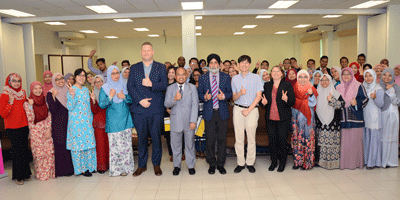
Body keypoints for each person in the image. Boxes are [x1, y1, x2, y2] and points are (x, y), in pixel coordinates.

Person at [128, 42, 167, 177]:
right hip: (139, 109)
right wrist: (140, 100)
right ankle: (142, 166)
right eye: (143, 51)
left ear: (153, 52)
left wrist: (152, 84)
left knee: (156, 138)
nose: (146, 53)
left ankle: (156, 165)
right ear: (141, 52)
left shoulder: (161, 67)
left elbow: (164, 85)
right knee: (142, 139)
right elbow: (130, 87)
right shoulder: (134, 68)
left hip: (156, 109)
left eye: (148, 50)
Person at [198, 53, 232, 175]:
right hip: (209, 113)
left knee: (222, 140)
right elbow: (199, 94)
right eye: (211, 63)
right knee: (210, 140)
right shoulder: (202, 78)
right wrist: (205, 97)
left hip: (222, 112)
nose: (213, 65)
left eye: (215, 63)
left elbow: (230, 93)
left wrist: (224, 96)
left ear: (219, 64)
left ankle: (221, 164)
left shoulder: (225, 77)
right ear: (208, 65)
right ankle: (211, 164)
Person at [99, 66, 134, 176]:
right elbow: (101, 105)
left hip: (126, 119)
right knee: (116, 147)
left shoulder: (124, 84)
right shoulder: (104, 88)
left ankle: (127, 168)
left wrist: (124, 96)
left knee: (126, 146)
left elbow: (131, 100)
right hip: (113, 122)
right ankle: (117, 170)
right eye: (113, 73)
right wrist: (110, 96)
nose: (115, 75)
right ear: (109, 75)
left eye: (117, 73)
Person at [231, 55, 263, 173]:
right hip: (238, 109)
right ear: (238, 65)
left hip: (252, 110)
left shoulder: (256, 77)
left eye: (246, 63)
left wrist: (248, 110)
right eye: (241, 63)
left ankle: (250, 162)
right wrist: (239, 93)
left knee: (251, 137)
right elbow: (234, 98)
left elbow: (259, 96)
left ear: (250, 64)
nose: (244, 65)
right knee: (238, 138)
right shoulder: (234, 79)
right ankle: (240, 162)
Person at [165, 67, 199, 175]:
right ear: (175, 76)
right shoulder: (170, 88)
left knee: (190, 145)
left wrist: (193, 120)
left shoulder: (192, 87)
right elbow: (166, 104)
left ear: (186, 75)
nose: (181, 76)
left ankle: (191, 165)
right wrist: (174, 99)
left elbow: (195, 105)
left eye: (183, 74)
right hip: (175, 121)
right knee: (175, 145)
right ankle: (176, 166)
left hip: (189, 122)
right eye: (178, 74)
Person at [261, 66, 295, 172]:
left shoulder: (287, 84)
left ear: (281, 73)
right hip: (270, 118)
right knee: (272, 142)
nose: (275, 73)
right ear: (271, 74)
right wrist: (264, 103)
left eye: (278, 71)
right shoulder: (267, 85)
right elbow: (263, 101)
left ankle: (282, 163)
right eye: (273, 71)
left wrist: (286, 99)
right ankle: (274, 162)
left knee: (282, 141)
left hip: (283, 118)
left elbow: (292, 102)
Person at [0, 73, 32, 185]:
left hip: (23, 125)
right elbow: (3, 114)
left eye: (18, 81)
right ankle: (18, 176)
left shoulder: (22, 93)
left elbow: (25, 108)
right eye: (14, 81)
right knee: (17, 151)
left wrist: (29, 103)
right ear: (9, 82)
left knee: (24, 150)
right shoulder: (4, 95)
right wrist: (10, 101)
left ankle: (26, 173)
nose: (16, 83)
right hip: (12, 127)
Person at [66, 69, 97, 176]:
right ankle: (81, 169)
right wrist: (72, 96)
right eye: (79, 75)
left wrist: (93, 99)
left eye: (83, 75)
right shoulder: (71, 89)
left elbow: (89, 107)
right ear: (75, 77)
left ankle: (91, 167)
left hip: (87, 121)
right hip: (76, 123)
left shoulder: (85, 90)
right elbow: (70, 107)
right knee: (78, 146)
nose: (82, 77)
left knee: (88, 144)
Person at [337, 67, 368, 170]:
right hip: (343, 119)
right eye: (344, 74)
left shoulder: (358, 86)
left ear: (352, 75)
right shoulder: (338, 88)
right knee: (345, 143)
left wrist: (356, 104)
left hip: (356, 118)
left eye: (348, 74)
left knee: (355, 142)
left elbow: (365, 99)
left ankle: (356, 164)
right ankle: (345, 164)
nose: (346, 76)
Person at [23, 81, 55, 181]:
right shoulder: (27, 103)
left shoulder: (45, 101)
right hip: (36, 132)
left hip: (46, 130)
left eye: (39, 88)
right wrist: (31, 106)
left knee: (49, 152)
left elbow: (49, 116)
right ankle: (41, 174)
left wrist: (48, 130)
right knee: (39, 154)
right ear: (31, 90)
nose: (38, 90)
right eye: (35, 89)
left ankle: (50, 173)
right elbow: (30, 119)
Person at [46, 73, 75, 177]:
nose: (60, 81)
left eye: (62, 78)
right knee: (60, 145)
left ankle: (71, 169)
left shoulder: (69, 90)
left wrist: (72, 94)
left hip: (70, 122)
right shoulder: (50, 93)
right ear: (54, 81)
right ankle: (62, 171)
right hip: (58, 124)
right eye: (57, 79)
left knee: (69, 145)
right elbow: (52, 110)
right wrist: (54, 96)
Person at [315, 74, 344, 170]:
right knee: (321, 143)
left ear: (330, 81)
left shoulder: (335, 93)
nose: (324, 82)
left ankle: (332, 163)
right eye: (322, 80)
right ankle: (321, 162)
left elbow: (341, 106)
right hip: (320, 122)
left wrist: (331, 100)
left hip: (333, 123)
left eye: (326, 80)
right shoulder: (317, 93)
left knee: (331, 144)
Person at [291, 70, 318, 170]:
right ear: (297, 78)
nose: (303, 79)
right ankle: (298, 162)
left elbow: (313, 103)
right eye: (300, 77)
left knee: (307, 137)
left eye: (305, 77)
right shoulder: (294, 88)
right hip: (296, 118)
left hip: (308, 119)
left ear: (308, 78)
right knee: (297, 137)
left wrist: (310, 95)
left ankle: (308, 163)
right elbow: (291, 102)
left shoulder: (312, 88)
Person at [362, 69, 384, 169]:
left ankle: (374, 162)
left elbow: (381, 104)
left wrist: (375, 97)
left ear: (374, 76)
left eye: (370, 76)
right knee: (367, 139)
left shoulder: (378, 88)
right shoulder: (363, 87)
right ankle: (367, 160)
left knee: (374, 140)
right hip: (365, 116)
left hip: (374, 117)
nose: (368, 78)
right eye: (366, 76)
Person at [379, 68, 400, 168]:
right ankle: (383, 161)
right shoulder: (378, 86)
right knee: (383, 136)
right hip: (382, 114)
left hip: (393, 115)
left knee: (392, 137)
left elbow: (396, 102)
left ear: (393, 77)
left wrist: (390, 90)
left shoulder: (396, 87)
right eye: (384, 74)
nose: (386, 77)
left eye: (389, 75)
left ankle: (391, 161)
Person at [90, 75, 109, 174]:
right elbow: (94, 110)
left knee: (109, 144)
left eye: (100, 81)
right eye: (96, 82)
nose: (99, 84)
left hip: (109, 120)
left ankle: (109, 164)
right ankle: (102, 166)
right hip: (99, 123)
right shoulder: (93, 94)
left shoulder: (108, 91)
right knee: (101, 145)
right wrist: (93, 100)